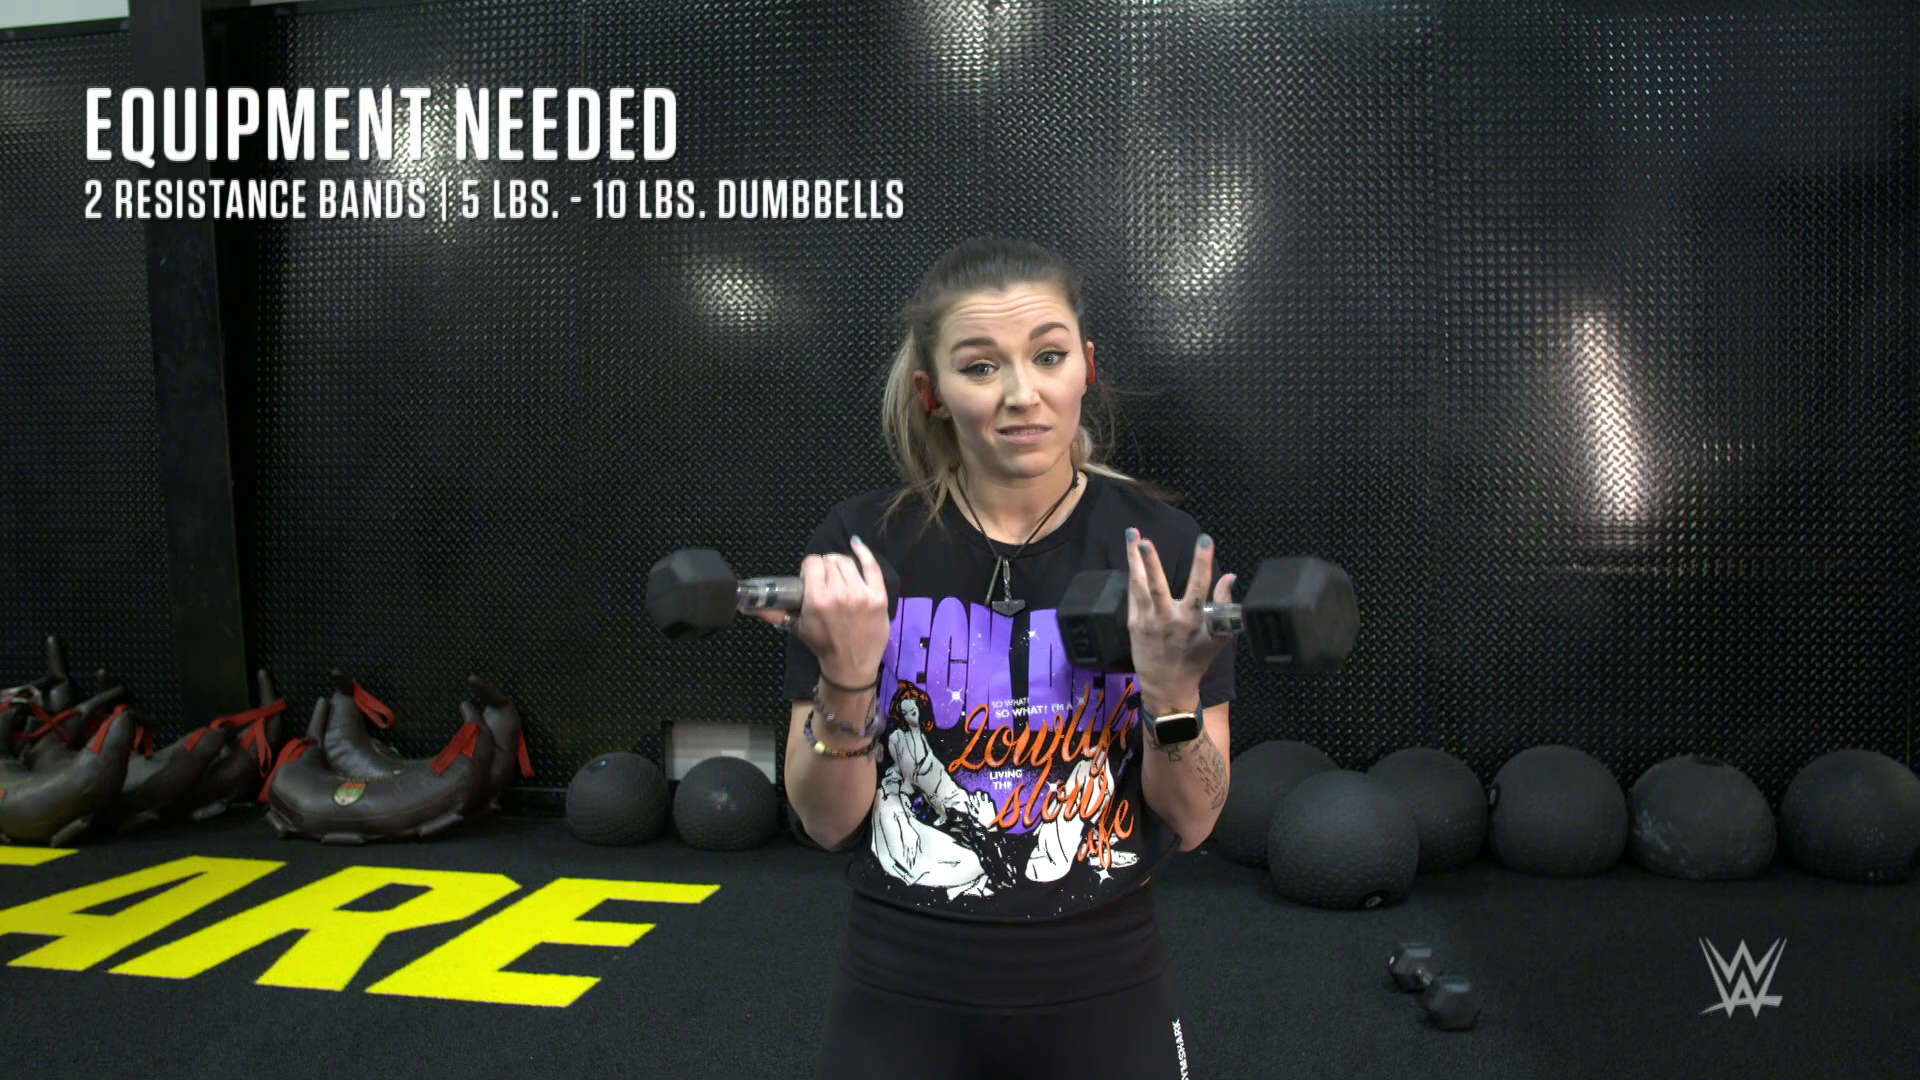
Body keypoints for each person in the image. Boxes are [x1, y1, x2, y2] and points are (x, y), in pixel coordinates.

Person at [769, 234, 1237, 1079]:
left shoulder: (1158, 548)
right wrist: (847, 677)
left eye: (1048, 356)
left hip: (1106, 977)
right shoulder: (866, 546)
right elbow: (827, 822)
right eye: (981, 367)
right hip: (903, 976)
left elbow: (1196, 820)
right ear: (933, 393)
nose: (1023, 394)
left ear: (1086, 366)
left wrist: (1171, 694)